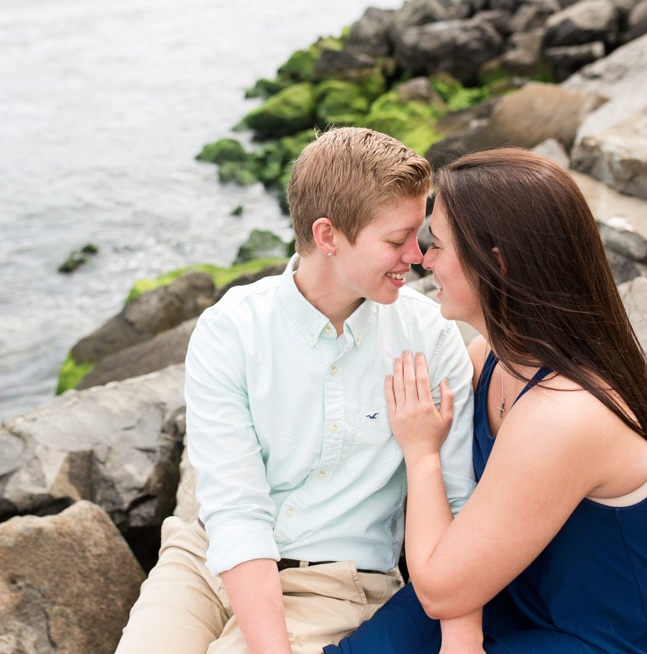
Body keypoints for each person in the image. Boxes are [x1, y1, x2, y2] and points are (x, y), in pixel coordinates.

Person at [325, 148, 647, 653]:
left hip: (618, 640)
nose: (423, 259)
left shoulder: (566, 412)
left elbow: (444, 590)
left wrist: (422, 454)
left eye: (437, 245)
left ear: (499, 264)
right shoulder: (491, 357)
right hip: (520, 598)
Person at [113, 127, 483, 654]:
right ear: (328, 236)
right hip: (205, 558)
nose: (418, 256)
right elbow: (237, 510)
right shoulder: (230, 330)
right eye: (396, 240)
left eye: (419, 236)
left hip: (336, 585)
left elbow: (456, 502)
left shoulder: (430, 338)